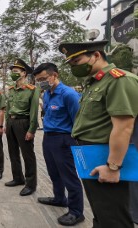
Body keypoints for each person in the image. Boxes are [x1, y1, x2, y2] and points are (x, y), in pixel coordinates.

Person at [59, 40, 138, 227]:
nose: (74, 67)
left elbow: (124, 127)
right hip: (92, 156)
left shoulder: (120, 80)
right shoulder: (94, 82)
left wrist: (113, 167)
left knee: (113, 217)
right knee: (101, 212)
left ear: (96, 55)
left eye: (76, 61)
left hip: (106, 157)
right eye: (70, 63)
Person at [33, 63, 84, 226]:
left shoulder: (69, 94)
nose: (40, 82)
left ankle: (76, 212)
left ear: (54, 75)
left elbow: (78, 120)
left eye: (43, 78)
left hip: (64, 139)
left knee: (68, 176)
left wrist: (74, 142)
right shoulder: (47, 94)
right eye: (38, 80)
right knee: (53, 172)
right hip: (48, 138)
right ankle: (59, 198)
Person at [4, 59, 39, 196]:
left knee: (27, 154)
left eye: (16, 71)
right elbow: (8, 109)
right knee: (13, 153)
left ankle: (31, 184)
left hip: (23, 123)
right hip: (11, 123)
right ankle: (18, 177)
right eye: (12, 71)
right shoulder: (11, 90)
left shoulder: (32, 90)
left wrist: (32, 129)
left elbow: (34, 111)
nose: (13, 74)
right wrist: (7, 124)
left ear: (24, 73)